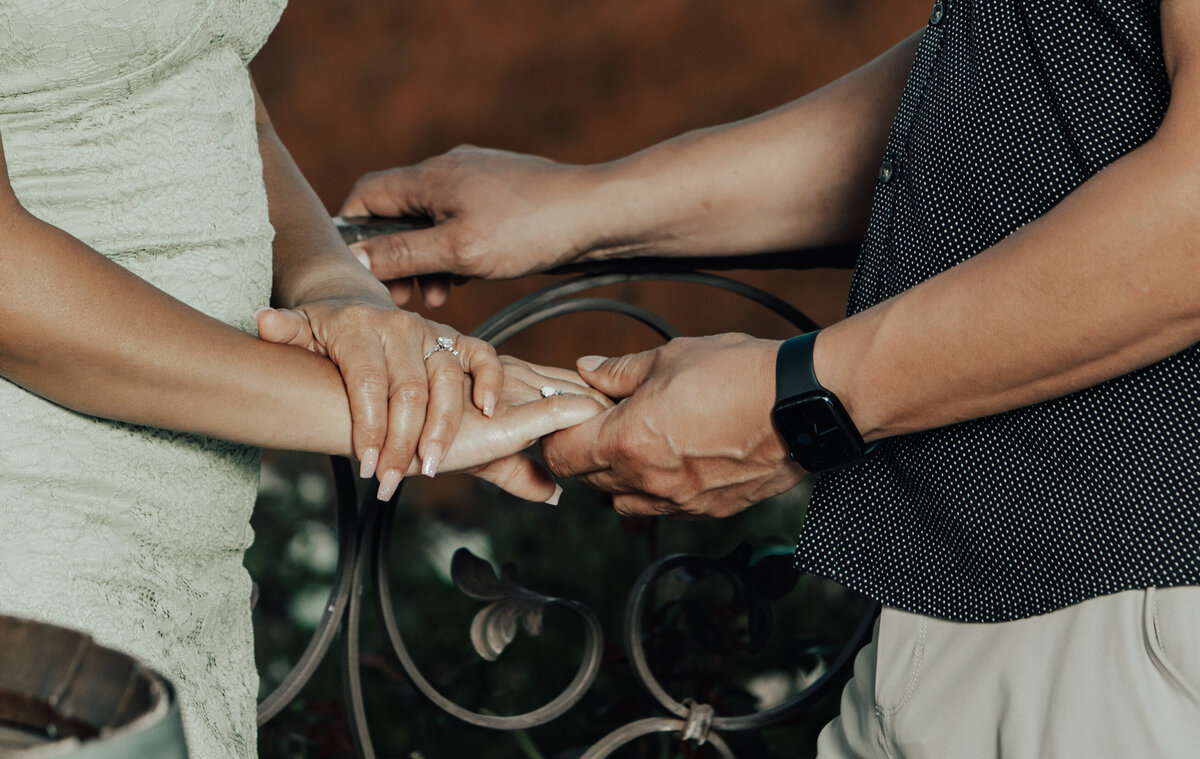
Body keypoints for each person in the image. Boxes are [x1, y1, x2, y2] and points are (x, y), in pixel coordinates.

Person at [340, 1, 1200, 756]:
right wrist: (584, 208)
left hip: (1129, 620)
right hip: (959, 604)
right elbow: (1029, 71)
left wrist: (797, 405)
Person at [0, 2, 607, 757]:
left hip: (197, 552)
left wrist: (336, 287)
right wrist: (391, 412)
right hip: (30, 507)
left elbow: (200, 68)